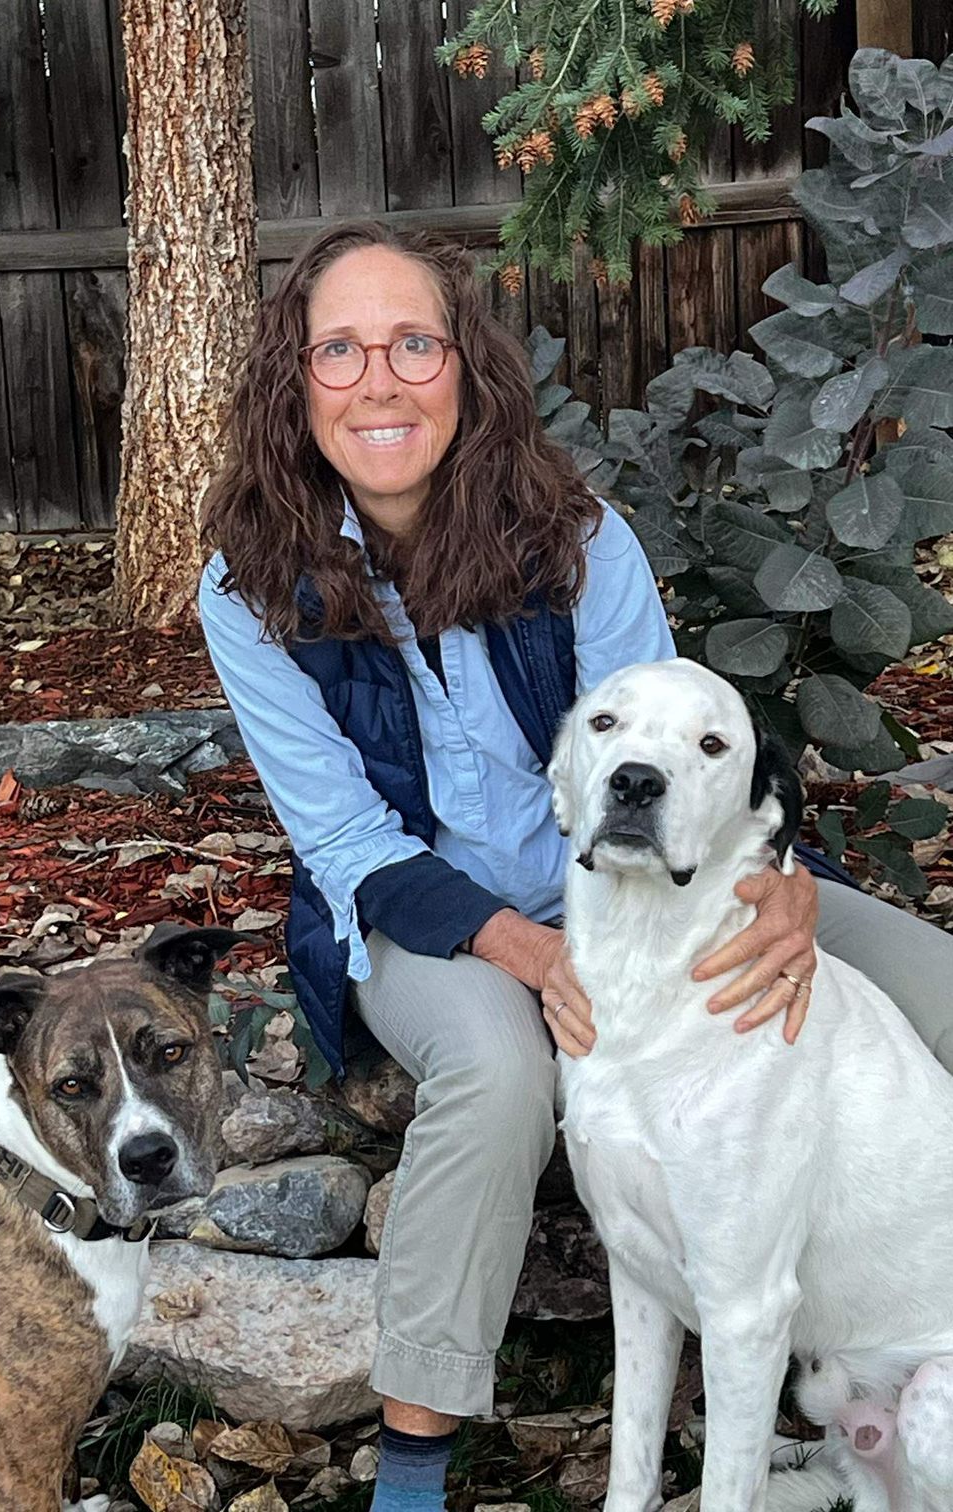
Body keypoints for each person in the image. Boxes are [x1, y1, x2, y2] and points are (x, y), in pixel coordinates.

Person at [198, 221, 953, 1512]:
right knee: (497, 1070)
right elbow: (343, 842)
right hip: (420, 916)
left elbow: (675, 741)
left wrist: (780, 877)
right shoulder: (248, 588)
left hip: (639, 879)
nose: (378, 378)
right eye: (340, 349)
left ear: (464, 368)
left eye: (413, 343)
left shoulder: (574, 536)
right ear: (296, 379)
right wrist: (530, 951)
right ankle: (416, 1473)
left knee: (931, 981)